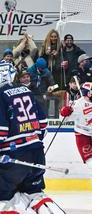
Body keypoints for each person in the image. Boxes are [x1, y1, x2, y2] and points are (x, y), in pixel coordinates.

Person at [0, 61, 64, 213]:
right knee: (35, 194)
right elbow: (43, 124)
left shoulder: (0, 95)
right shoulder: (25, 90)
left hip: (12, 157)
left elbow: (1, 132)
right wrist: (31, 142)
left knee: (5, 199)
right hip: (37, 153)